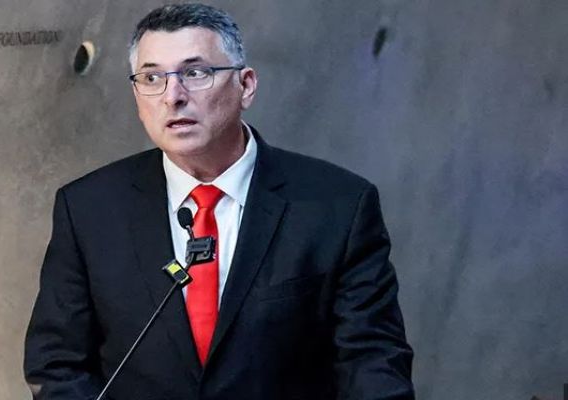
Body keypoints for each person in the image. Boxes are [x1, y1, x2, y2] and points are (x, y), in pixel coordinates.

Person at [24, 3, 414, 400]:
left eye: (195, 73)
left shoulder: (337, 207)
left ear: (246, 86)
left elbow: (372, 364)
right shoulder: (89, 209)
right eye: (152, 77)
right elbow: (57, 365)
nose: (173, 96)